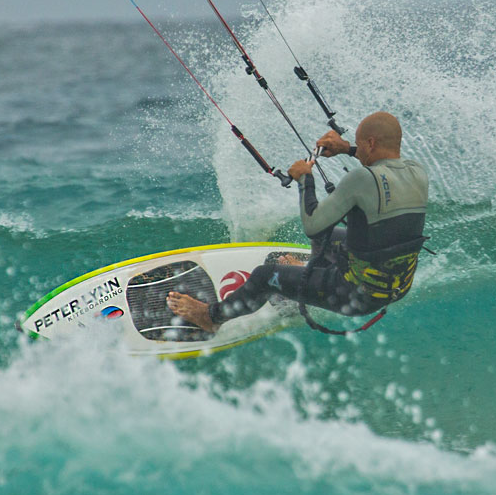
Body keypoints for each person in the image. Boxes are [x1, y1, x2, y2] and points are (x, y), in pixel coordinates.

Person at [165, 111, 429, 333]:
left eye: (359, 145)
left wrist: (305, 179)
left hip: (355, 295)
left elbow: (312, 225)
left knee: (263, 275)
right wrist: (347, 148)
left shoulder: (362, 179)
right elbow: (380, 164)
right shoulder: (417, 171)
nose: (357, 151)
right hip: (396, 285)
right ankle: (309, 281)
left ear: (370, 143)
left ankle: (211, 317)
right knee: (327, 238)